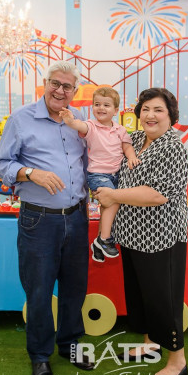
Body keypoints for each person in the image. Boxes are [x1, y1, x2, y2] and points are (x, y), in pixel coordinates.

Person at [0, 60, 95, 375]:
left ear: (74, 91)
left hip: (77, 216)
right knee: (38, 290)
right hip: (38, 219)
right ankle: (39, 355)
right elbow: (0, 164)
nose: (60, 91)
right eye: (55, 83)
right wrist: (30, 173)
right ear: (45, 83)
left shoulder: (78, 120)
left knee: (75, 287)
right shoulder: (21, 119)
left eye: (67, 86)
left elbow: (90, 160)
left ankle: (70, 344)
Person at [93, 88, 188, 375]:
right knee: (141, 296)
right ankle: (150, 345)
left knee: (163, 300)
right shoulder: (133, 140)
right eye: (145, 109)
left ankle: (177, 362)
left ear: (171, 115)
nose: (150, 115)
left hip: (162, 237)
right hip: (132, 235)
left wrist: (112, 195)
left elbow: (158, 194)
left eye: (158, 110)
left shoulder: (173, 147)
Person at [59, 87, 140, 262]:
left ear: (115, 110)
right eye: (97, 104)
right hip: (98, 174)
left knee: (107, 205)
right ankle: (104, 239)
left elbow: (127, 146)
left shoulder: (120, 130)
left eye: (106, 105)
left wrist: (132, 157)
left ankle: (98, 242)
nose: (101, 108)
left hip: (117, 174)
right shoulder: (91, 126)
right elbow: (79, 126)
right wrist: (70, 120)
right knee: (113, 200)